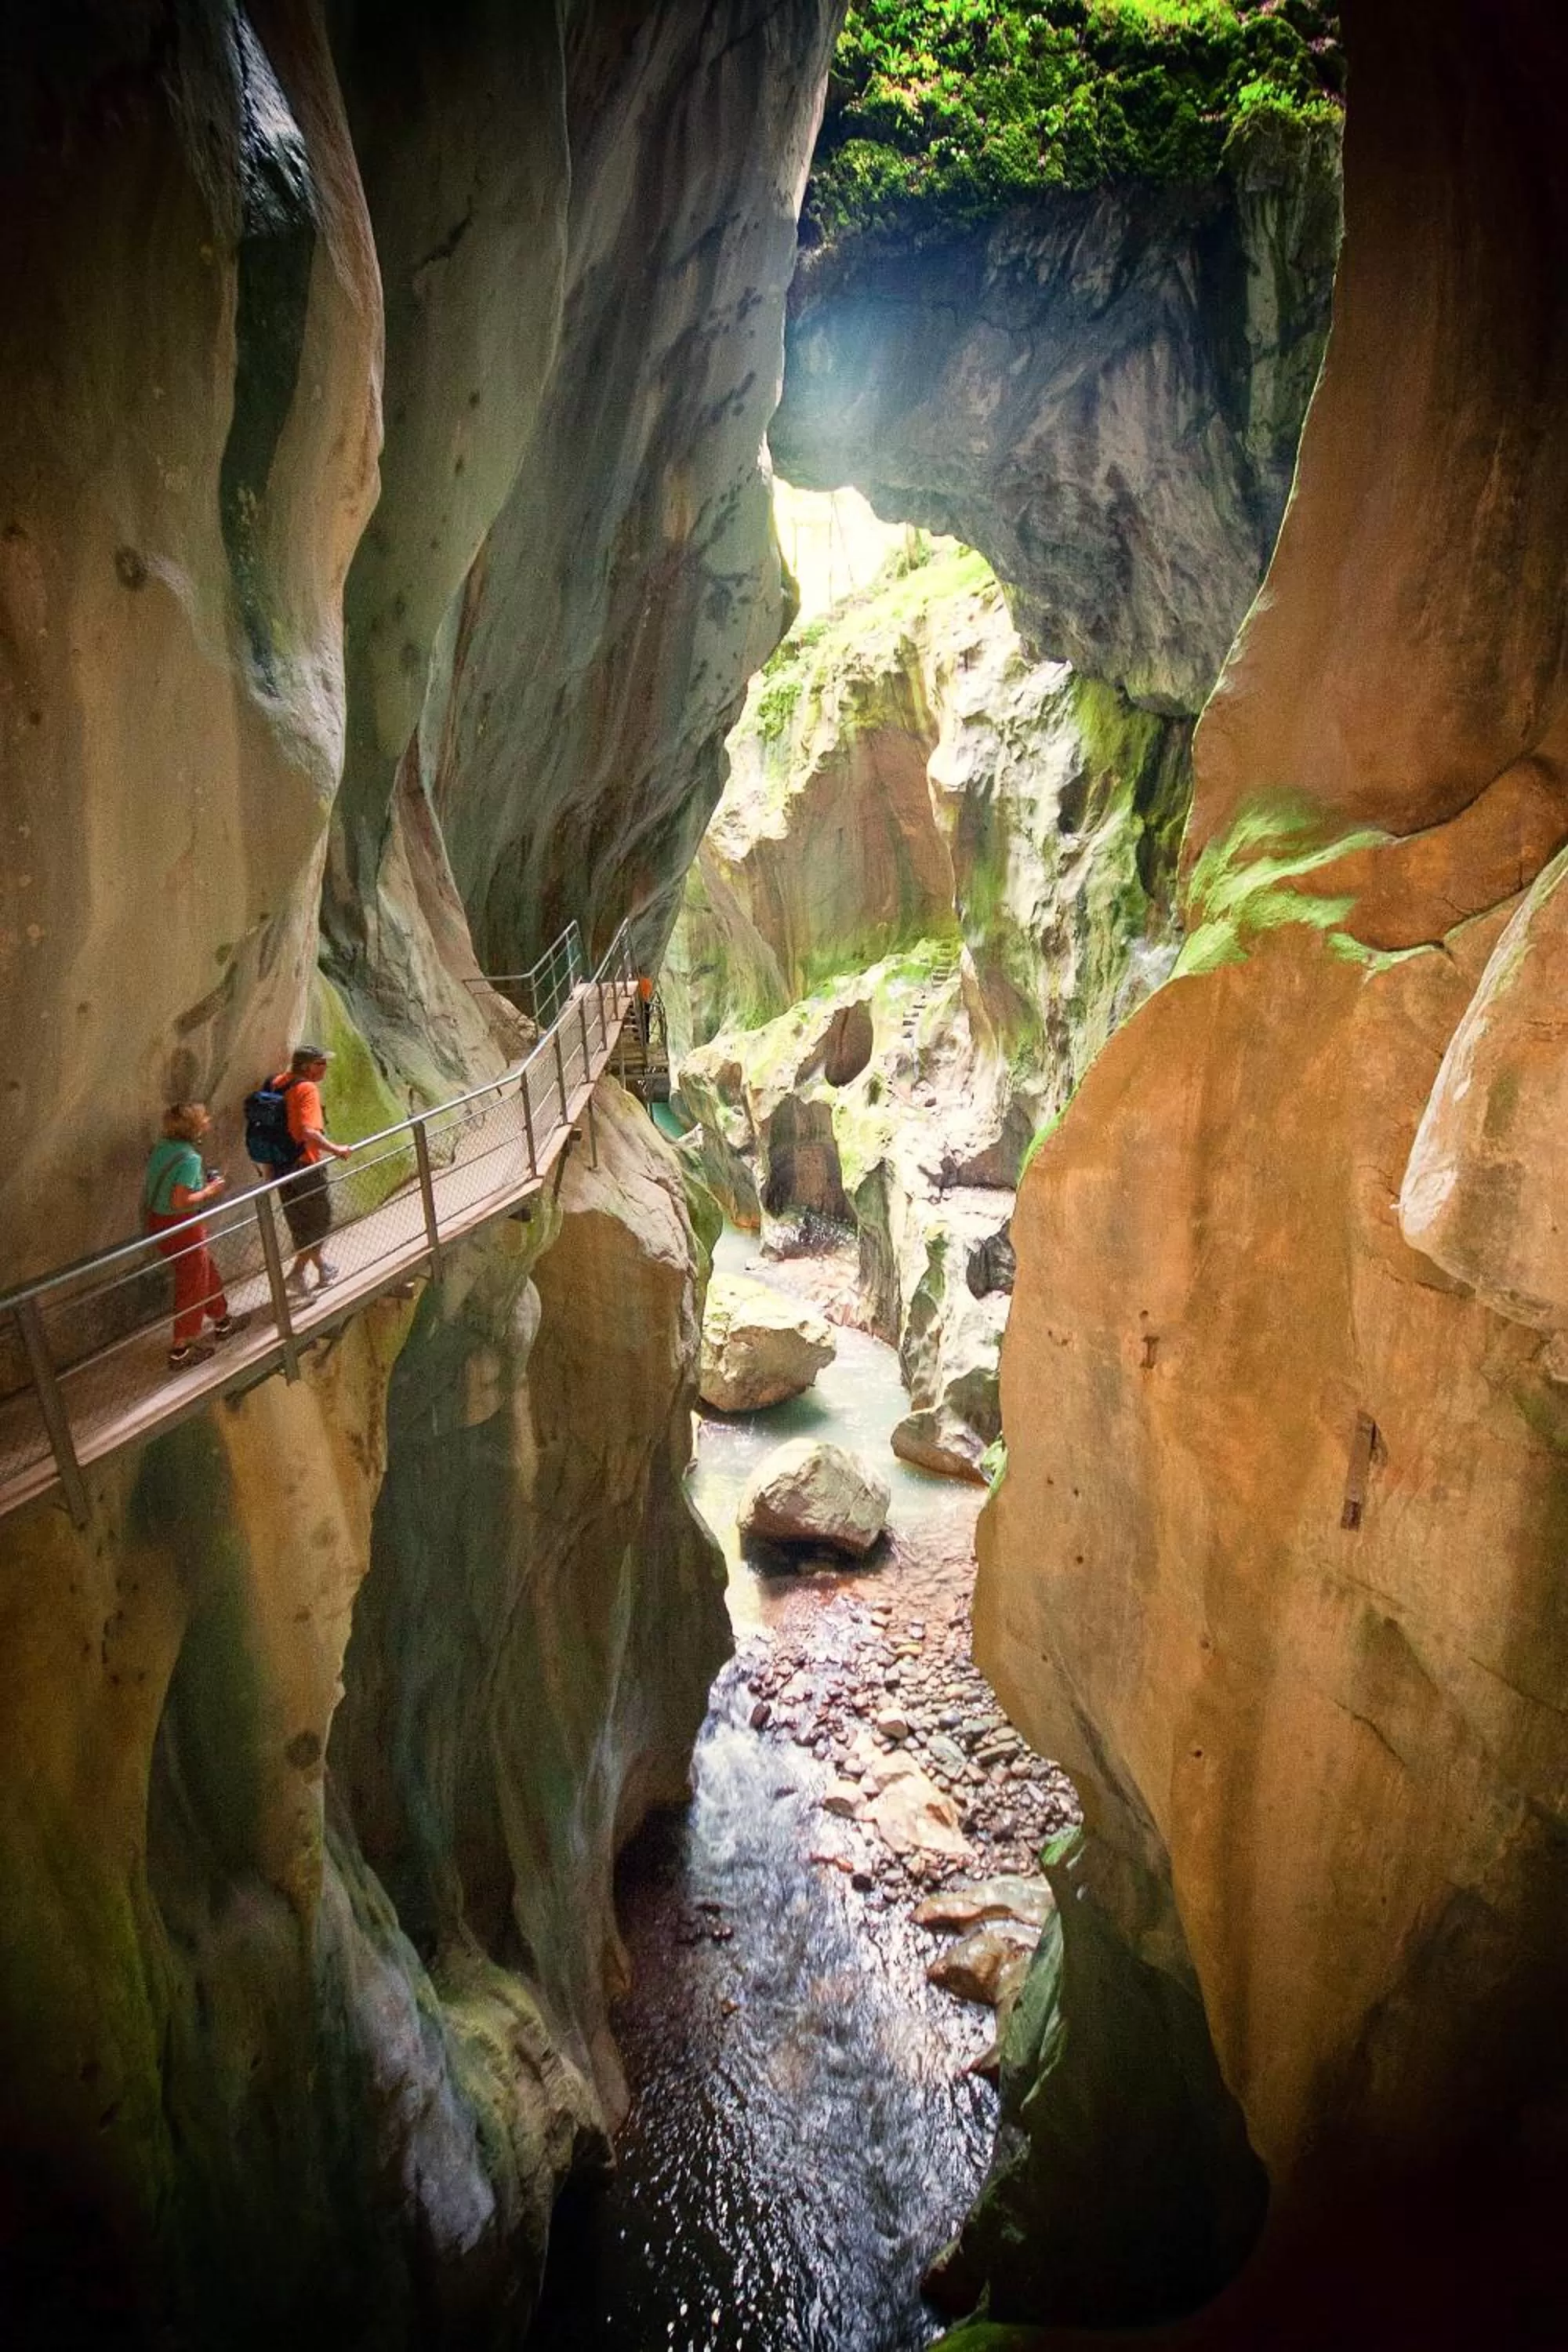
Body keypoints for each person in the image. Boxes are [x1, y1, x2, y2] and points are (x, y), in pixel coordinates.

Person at [143, 1104, 252, 1370]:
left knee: (204, 1269)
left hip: (159, 1221)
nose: (208, 1119)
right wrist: (210, 1191)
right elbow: (181, 1200)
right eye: (204, 1118)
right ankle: (181, 1348)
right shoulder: (191, 1159)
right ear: (194, 1127)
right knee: (192, 1282)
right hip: (181, 1225)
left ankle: (222, 1319)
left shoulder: (163, 1148)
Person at [271, 1044, 353, 1293]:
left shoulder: (278, 1083)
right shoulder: (307, 1089)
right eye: (321, 1063)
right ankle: (297, 1273)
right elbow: (309, 1132)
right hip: (305, 1165)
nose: (325, 1068)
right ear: (308, 1067)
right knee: (320, 1218)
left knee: (299, 1220)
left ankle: (319, 1268)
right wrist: (337, 1149)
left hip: (281, 1165)